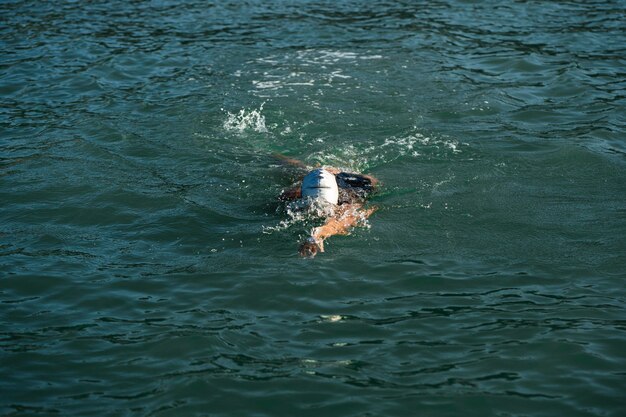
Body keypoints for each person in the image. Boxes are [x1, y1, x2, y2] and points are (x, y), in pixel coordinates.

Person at [275, 155, 379, 258]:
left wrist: (316, 237)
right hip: (316, 179)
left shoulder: (349, 202)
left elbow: (337, 224)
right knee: (299, 172)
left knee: (372, 182)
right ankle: (276, 156)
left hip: (340, 180)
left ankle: (330, 172)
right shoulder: (293, 195)